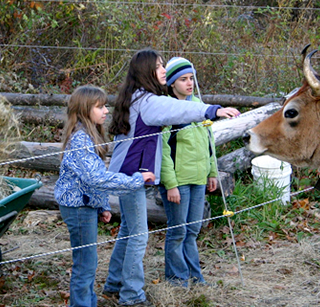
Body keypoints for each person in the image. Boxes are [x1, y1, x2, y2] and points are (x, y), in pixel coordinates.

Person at [103, 49, 240, 306]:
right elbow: (177, 109)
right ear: (146, 72)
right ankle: (131, 296)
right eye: (158, 66)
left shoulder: (138, 97)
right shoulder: (148, 102)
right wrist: (212, 111)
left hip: (132, 175)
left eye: (163, 64)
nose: (163, 69)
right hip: (133, 176)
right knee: (138, 236)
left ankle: (113, 285)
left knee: (128, 231)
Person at [55, 85, 156, 307]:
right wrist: (136, 180)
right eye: (100, 107)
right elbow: (97, 178)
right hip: (78, 208)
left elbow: (89, 179)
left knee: (87, 263)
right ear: (84, 109)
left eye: (105, 106)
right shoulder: (81, 139)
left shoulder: (88, 135)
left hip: (85, 205)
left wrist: (101, 205)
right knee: (85, 264)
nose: (106, 111)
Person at [159, 57, 239, 287]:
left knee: (192, 230)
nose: (189, 83)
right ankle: (177, 280)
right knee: (178, 232)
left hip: (199, 179)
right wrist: (170, 184)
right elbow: (163, 151)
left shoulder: (198, 106)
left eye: (191, 78)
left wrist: (211, 173)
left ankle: (195, 277)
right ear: (172, 83)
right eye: (183, 79)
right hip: (178, 182)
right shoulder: (167, 110)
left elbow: (209, 142)